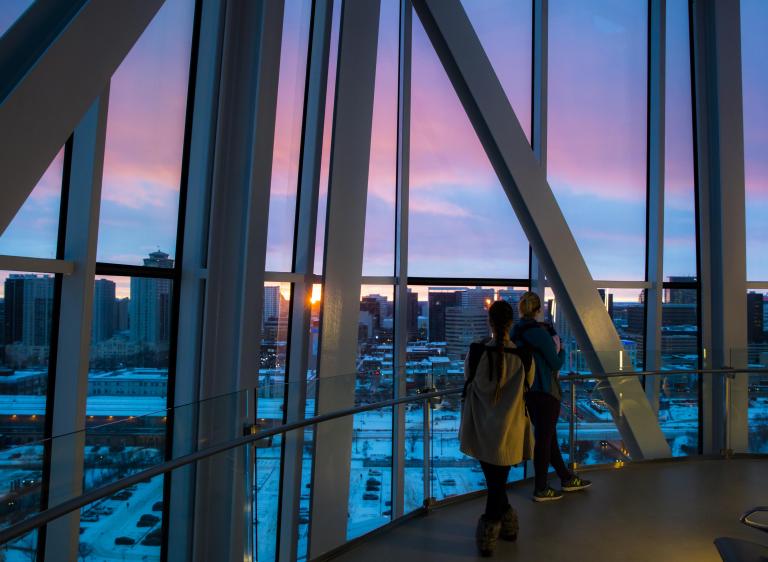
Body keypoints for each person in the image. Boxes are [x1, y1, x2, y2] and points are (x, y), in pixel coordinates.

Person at [459, 300, 534, 557]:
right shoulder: (524, 357)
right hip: (510, 430)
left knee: (495, 483)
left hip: (482, 429)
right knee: (497, 482)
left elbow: (467, 378)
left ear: (489, 322)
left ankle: (490, 532)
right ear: (511, 323)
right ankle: (507, 526)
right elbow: (528, 387)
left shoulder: (477, 352)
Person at [511, 291, 591, 502]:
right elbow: (555, 364)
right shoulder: (539, 333)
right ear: (538, 310)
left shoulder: (516, 331)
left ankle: (565, 478)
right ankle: (541, 488)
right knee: (545, 441)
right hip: (546, 391)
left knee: (549, 438)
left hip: (528, 392)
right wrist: (562, 349)